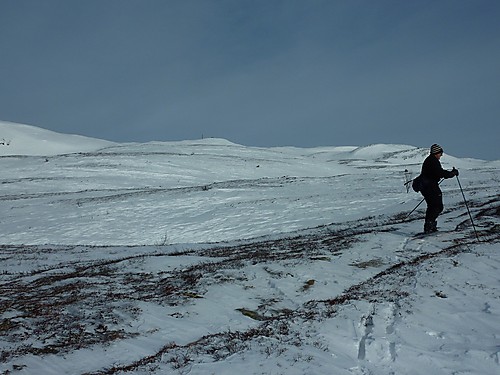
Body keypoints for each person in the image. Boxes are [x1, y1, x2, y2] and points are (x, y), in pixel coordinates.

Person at [420, 144, 459, 233]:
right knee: (437, 206)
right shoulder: (433, 161)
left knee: (433, 206)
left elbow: (438, 173)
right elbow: (440, 172)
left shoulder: (430, 160)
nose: (441, 155)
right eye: (440, 153)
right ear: (436, 153)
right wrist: (451, 174)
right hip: (430, 186)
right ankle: (430, 226)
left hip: (427, 186)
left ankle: (429, 226)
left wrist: (448, 174)